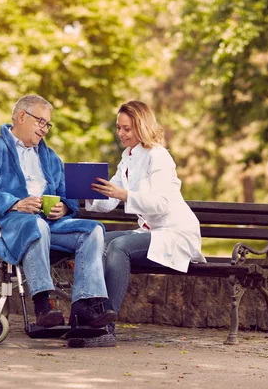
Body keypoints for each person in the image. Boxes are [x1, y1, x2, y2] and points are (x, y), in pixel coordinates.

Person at [0, 94, 116, 331]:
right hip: (13, 225)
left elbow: (67, 194)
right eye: (41, 122)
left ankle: (86, 305)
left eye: (48, 124)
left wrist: (65, 207)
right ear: (22, 116)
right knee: (37, 226)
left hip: (50, 224)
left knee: (93, 230)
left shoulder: (50, 156)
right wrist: (16, 203)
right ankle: (43, 303)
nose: (45, 129)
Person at [67, 100, 206, 348]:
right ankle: (86, 316)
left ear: (141, 127)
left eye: (127, 129)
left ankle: (105, 325)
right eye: (119, 128)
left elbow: (161, 204)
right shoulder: (127, 158)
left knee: (119, 246)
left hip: (174, 234)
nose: (121, 133)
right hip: (149, 233)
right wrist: (89, 192)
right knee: (93, 240)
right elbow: (109, 200)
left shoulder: (159, 157)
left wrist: (124, 195)